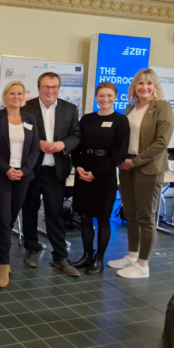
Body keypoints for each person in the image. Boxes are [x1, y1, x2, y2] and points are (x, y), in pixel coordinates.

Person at [108, 68, 174, 278]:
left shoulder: (162, 107)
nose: (144, 87)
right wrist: (121, 161)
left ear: (155, 87)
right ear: (134, 86)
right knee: (131, 214)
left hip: (148, 169)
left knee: (146, 217)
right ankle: (132, 256)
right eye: (140, 83)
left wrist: (135, 162)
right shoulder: (130, 107)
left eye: (149, 84)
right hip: (127, 167)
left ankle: (143, 264)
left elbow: (162, 142)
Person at [21, 71, 81, 276]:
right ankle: (32, 248)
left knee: (55, 214)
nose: (50, 91)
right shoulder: (25, 107)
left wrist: (61, 144)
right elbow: (19, 134)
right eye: (46, 86)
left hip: (56, 170)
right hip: (31, 169)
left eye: (54, 87)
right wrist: (37, 143)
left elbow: (76, 134)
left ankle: (60, 257)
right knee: (29, 210)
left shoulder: (70, 109)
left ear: (58, 88)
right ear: (38, 88)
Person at [71, 82, 130, 275]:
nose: (105, 99)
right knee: (85, 217)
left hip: (104, 176)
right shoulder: (86, 119)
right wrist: (78, 166)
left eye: (109, 96)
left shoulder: (121, 121)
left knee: (103, 218)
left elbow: (119, 154)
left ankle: (99, 259)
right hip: (83, 172)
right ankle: (87, 255)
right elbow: (76, 146)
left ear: (115, 97)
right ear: (96, 97)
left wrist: (96, 173)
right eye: (101, 96)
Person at [0, 81, 40, 288]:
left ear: (24, 97)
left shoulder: (30, 119)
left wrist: (24, 171)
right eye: (12, 93)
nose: (16, 96)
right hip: (2, 176)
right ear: (5, 96)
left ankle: (0, 250)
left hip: (23, 178)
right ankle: (4, 264)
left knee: (10, 219)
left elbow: (35, 149)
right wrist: (6, 169)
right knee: (3, 218)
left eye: (19, 93)